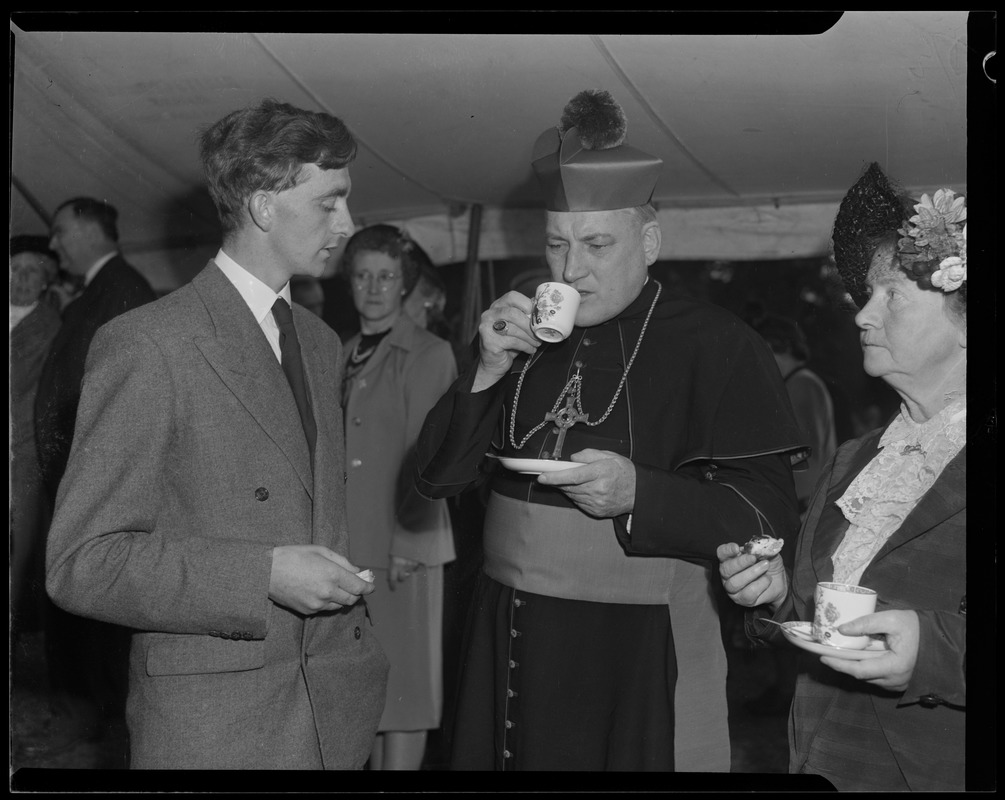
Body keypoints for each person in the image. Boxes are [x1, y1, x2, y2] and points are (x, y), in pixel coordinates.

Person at [414, 89, 805, 772]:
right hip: (501, 628)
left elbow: (766, 511)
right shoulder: (523, 333)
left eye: (596, 244)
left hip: (630, 647)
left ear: (648, 241)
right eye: (557, 244)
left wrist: (639, 494)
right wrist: (485, 369)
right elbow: (435, 480)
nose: (569, 270)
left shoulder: (716, 343)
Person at [45, 97, 389, 770]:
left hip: (331, 709)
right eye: (329, 202)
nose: (348, 223)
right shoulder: (149, 343)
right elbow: (82, 564)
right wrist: (259, 574)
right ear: (263, 207)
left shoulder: (319, 341)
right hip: (220, 728)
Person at [716, 162, 967, 791]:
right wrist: (774, 591)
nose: (862, 316)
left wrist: (933, 652)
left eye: (893, 298)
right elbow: (820, 612)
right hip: (819, 761)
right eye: (865, 296)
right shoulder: (853, 460)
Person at [31, 197, 157, 757]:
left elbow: (129, 401)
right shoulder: (99, 293)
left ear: (86, 229)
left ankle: (103, 734)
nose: (54, 245)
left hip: (97, 487)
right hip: (77, 482)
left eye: (59, 232)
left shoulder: (124, 290)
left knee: (100, 625)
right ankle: (87, 726)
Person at [341, 224, 457, 770]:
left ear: (405, 283)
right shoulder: (341, 353)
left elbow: (429, 460)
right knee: (363, 690)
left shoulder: (428, 353)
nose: (373, 287)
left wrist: (409, 542)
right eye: (362, 275)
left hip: (402, 546)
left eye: (386, 276)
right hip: (349, 548)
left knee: (406, 691)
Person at [9, 236, 63, 637]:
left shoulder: (50, 325)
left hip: (21, 455)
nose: (22, 278)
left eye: (32, 270)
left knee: (17, 556)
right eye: (15, 268)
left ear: (46, 279)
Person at [751, 315, 838, 519]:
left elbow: (804, 450)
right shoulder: (801, 382)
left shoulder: (801, 384)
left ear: (774, 345)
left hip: (804, 501)